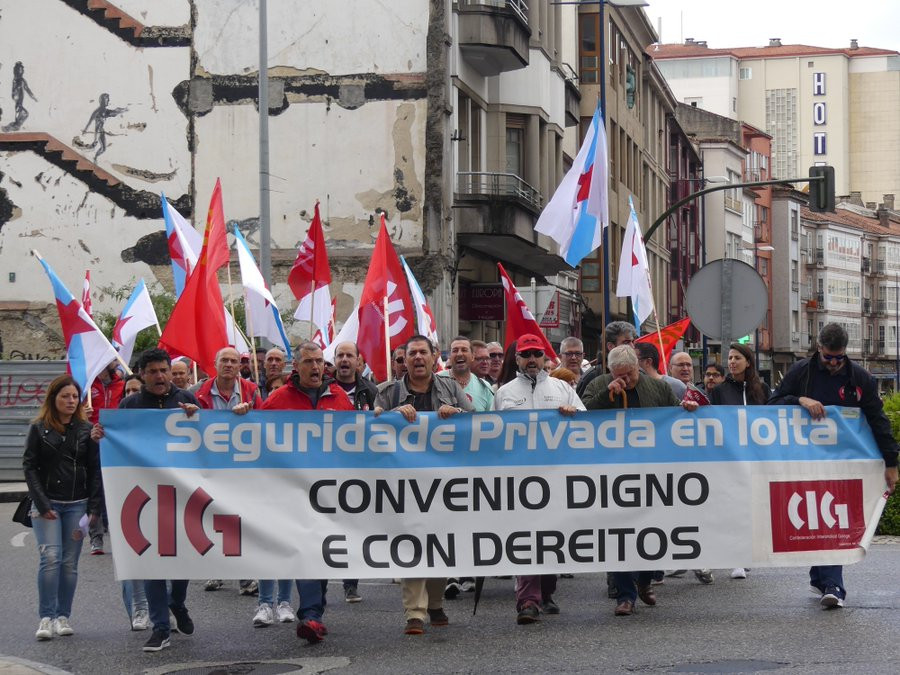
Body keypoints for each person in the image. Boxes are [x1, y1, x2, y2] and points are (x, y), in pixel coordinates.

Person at [769, 323, 898, 609]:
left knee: (832, 519)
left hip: (844, 463)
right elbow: (772, 402)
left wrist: (891, 463)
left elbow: (878, 420)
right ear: (819, 350)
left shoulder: (859, 378)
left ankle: (832, 584)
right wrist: (799, 400)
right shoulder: (801, 372)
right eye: (829, 358)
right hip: (805, 461)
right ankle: (821, 577)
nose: (834, 364)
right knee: (816, 519)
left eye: (840, 358)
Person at [95, 348, 201, 651]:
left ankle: (177, 603)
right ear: (142, 375)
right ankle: (160, 627)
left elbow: (207, 438)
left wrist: (197, 420)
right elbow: (114, 442)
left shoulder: (187, 400)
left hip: (182, 493)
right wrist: (100, 436)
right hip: (144, 495)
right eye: (153, 371)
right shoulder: (129, 406)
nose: (160, 376)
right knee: (152, 563)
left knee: (183, 559)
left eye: (164, 370)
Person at [583, 345, 699, 616]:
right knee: (618, 533)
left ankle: (646, 581)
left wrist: (687, 409)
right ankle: (625, 595)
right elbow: (583, 413)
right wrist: (606, 394)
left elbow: (674, 415)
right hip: (612, 471)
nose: (626, 379)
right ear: (610, 371)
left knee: (652, 529)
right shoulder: (599, 383)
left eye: (630, 373)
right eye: (620, 374)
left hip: (651, 469)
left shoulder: (657, 388)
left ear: (639, 366)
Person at [375, 335, 474, 635]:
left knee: (440, 544)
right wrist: (392, 417)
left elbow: (476, 423)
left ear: (434, 358)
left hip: (444, 483)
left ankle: (435, 603)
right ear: (403, 360)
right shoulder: (388, 392)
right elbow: (372, 427)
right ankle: (414, 613)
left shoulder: (451, 388)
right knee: (411, 544)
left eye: (423, 353)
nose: (417, 358)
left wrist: (456, 415)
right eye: (411, 354)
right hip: (403, 483)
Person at [262, 341, 355, 642]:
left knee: (322, 550)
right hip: (294, 492)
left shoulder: (339, 397)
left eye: (319, 361)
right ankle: (311, 615)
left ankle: (315, 609)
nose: (315, 367)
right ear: (296, 366)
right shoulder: (277, 400)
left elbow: (357, 438)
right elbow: (256, 438)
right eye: (308, 362)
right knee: (306, 550)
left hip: (332, 491)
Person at [494, 334, 585, 624]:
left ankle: (546, 592)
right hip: (520, 478)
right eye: (526, 354)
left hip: (557, 476)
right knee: (526, 537)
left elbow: (587, 426)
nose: (531, 359)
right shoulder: (504, 393)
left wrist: (573, 416)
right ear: (518, 359)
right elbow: (492, 434)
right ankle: (527, 601)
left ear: (545, 357)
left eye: (536, 353)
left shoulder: (563, 388)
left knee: (552, 537)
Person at [23, 375, 101, 641]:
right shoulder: (38, 428)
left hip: (77, 506)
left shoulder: (86, 430)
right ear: (53, 399)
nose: (70, 401)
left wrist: (94, 507)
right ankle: (46, 617)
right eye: (65, 396)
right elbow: (29, 466)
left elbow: (94, 470)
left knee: (69, 563)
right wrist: (42, 503)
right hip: (46, 505)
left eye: (74, 396)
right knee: (51, 558)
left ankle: (62, 616)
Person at [193, 347, 261, 596]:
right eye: (225, 360)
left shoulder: (251, 391)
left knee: (240, 519)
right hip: (210, 464)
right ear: (215, 363)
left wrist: (250, 415)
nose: (230, 365)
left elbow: (264, 423)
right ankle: (216, 569)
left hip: (242, 465)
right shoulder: (198, 393)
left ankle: (245, 576)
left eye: (234, 361)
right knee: (213, 518)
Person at [438, 336, 494, 598]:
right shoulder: (436, 381)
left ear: (472, 357)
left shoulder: (485, 389)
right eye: (455, 350)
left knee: (470, 521)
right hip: (440, 464)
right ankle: (448, 573)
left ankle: (469, 570)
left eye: (464, 350)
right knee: (445, 521)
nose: (459, 354)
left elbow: (493, 424)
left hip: (475, 465)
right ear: (449, 356)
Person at [708, 343, 771, 580]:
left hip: (755, 457)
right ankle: (736, 558)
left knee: (752, 506)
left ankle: (747, 553)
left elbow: (773, 416)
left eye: (737, 358)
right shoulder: (720, 390)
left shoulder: (761, 388)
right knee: (733, 506)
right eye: (730, 358)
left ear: (748, 362)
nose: (732, 362)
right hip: (729, 457)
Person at [331, 340, 378, 603]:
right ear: (335, 360)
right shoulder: (323, 389)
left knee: (352, 525)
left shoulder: (370, 391)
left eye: (350, 355)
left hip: (358, 468)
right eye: (340, 355)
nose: (345, 360)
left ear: (358, 361)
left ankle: (351, 583)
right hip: (327, 468)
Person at [576, 321, 638, 397]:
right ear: (610, 346)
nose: (632, 346)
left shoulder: (640, 372)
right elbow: (581, 406)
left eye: (632, 342)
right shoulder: (592, 376)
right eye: (626, 342)